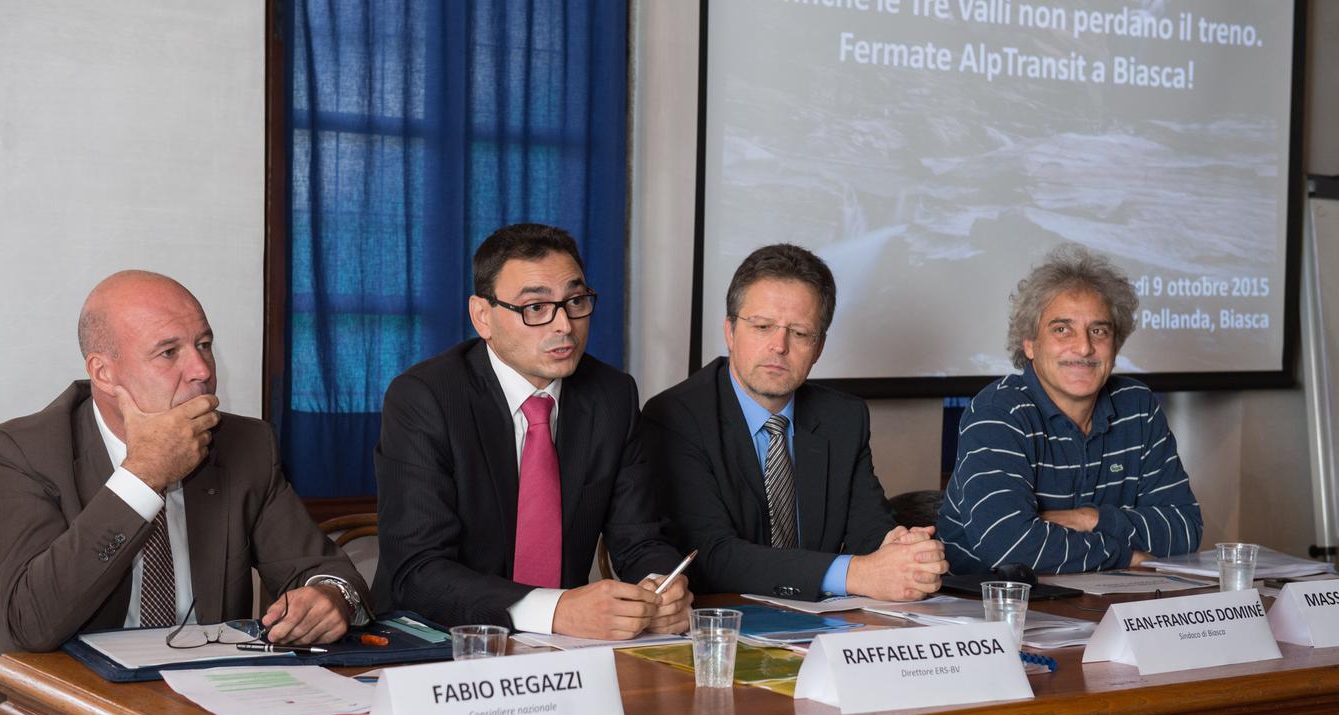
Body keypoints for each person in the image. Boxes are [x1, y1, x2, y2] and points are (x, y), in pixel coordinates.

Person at [0, 271, 369, 715]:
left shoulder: (245, 445)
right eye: (168, 352)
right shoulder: (20, 451)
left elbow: (324, 569)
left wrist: (329, 597)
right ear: (104, 373)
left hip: (206, 710)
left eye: (205, 344)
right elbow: (32, 622)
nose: (201, 370)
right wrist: (143, 474)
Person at [372, 223, 692, 639]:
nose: (563, 326)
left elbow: (639, 538)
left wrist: (663, 586)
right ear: (482, 317)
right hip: (432, 640)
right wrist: (555, 610)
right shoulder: (424, 398)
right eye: (535, 308)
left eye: (575, 301)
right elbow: (418, 570)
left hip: (564, 649)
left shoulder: (612, 395)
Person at [642, 244, 948, 601]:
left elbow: (870, 528)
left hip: (826, 628)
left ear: (819, 348)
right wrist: (856, 574)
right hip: (723, 624)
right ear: (729, 331)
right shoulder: (676, 417)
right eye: (762, 326)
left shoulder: (843, 418)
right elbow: (711, 556)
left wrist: (900, 548)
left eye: (800, 333)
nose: (779, 346)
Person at [938, 244, 1203, 574]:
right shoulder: (998, 412)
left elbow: (1184, 528)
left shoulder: (1138, 405)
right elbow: (1010, 546)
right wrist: (1124, 555)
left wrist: (1090, 518)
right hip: (991, 609)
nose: (1084, 347)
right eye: (1062, 329)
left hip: (1108, 602)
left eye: (1099, 331)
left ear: (1115, 344)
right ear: (1030, 344)